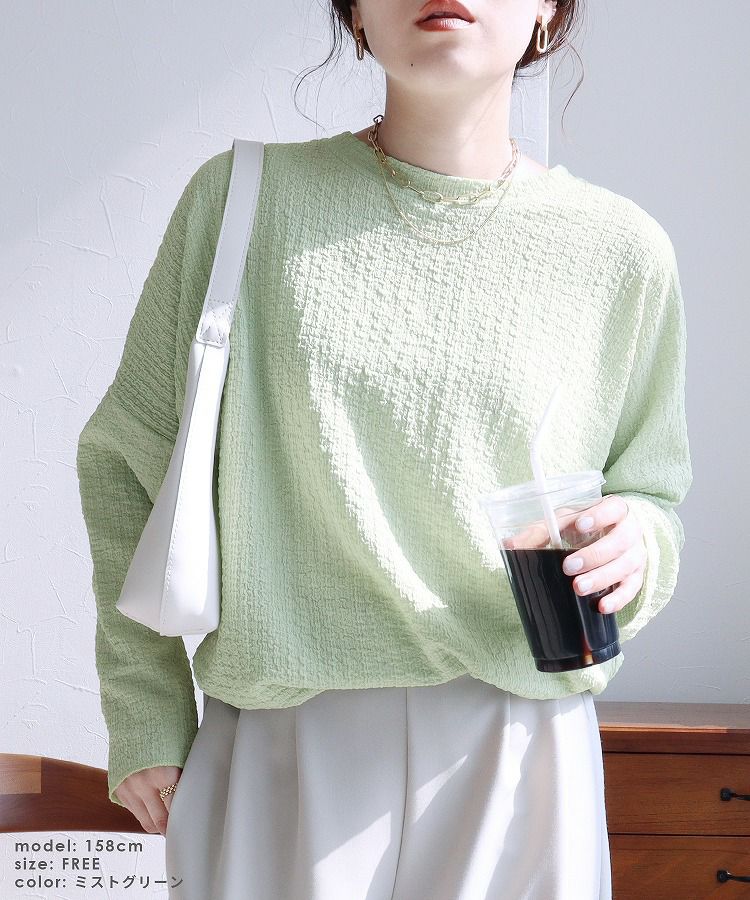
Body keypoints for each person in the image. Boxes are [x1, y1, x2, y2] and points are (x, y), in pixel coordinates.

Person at [75, 0, 693, 897]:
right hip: (284, 741)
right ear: (356, 15)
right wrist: (146, 712)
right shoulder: (244, 200)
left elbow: (652, 491)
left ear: (548, 10)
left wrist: (636, 542)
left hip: (520, 745)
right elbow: (125, 462)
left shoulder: (620, 251)